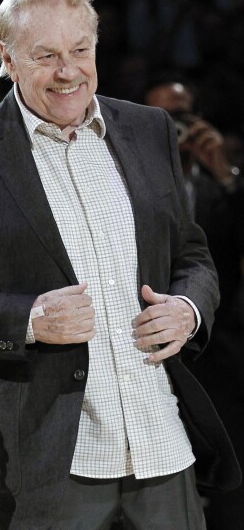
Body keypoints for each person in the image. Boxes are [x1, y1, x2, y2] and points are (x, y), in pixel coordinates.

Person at [0, 0, 241, 529]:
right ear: (7, 57)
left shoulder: (150, 131)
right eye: (46, 55)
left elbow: (191, 254)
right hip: (46, 462)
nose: (68, 70)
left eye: (80, 50)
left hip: (162, 444)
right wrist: (27, 320)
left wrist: (188, 311)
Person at [144, 78, 244, 528]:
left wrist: (225, 175)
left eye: (184, 118)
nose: (178, 130)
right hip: (150, 348)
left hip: (221, 346)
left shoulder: (222, 179)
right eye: (166, 118)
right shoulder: (131, 175)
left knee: (230, 460)